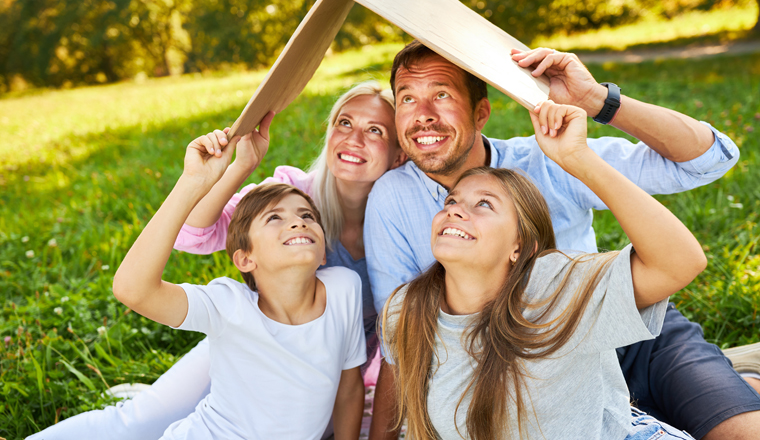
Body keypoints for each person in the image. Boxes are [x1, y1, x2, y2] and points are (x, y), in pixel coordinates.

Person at [366, 41, 760, 440]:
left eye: (442, 95)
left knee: (741, 430)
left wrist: (597, 101)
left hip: (618, 319)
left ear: (480, 112)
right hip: (522, 367)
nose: (423, 116)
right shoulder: (392, 197)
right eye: (408, 100)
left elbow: (708, 159)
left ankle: (731, 386)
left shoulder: (550, 156)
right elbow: (402, 344)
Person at [29, 81, 406, 439]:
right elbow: (195, 234)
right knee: (140, 422)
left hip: (312, 374)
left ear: (399, 153)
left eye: (375, 130)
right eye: (344, 122)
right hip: (245, 339)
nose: (354, 138)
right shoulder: (291, 198)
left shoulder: (399, 227)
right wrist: (238, 167)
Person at [382, 99, 704, 439]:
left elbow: (681, 262)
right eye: (451, 201)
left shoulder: (553, 287)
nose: (455, 211)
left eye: (484, 204)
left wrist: (579, 159)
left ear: (520, 247)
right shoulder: (408, 310)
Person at [111, 124, 367, 438]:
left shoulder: (344, 288)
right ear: (245, 259)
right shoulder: (228, 304)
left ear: (324, 253)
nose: (298, 221)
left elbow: (350, 389)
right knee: (130, 422)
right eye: (275, 217)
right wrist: (193, 182)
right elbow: (132, 289)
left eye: (308, 216)